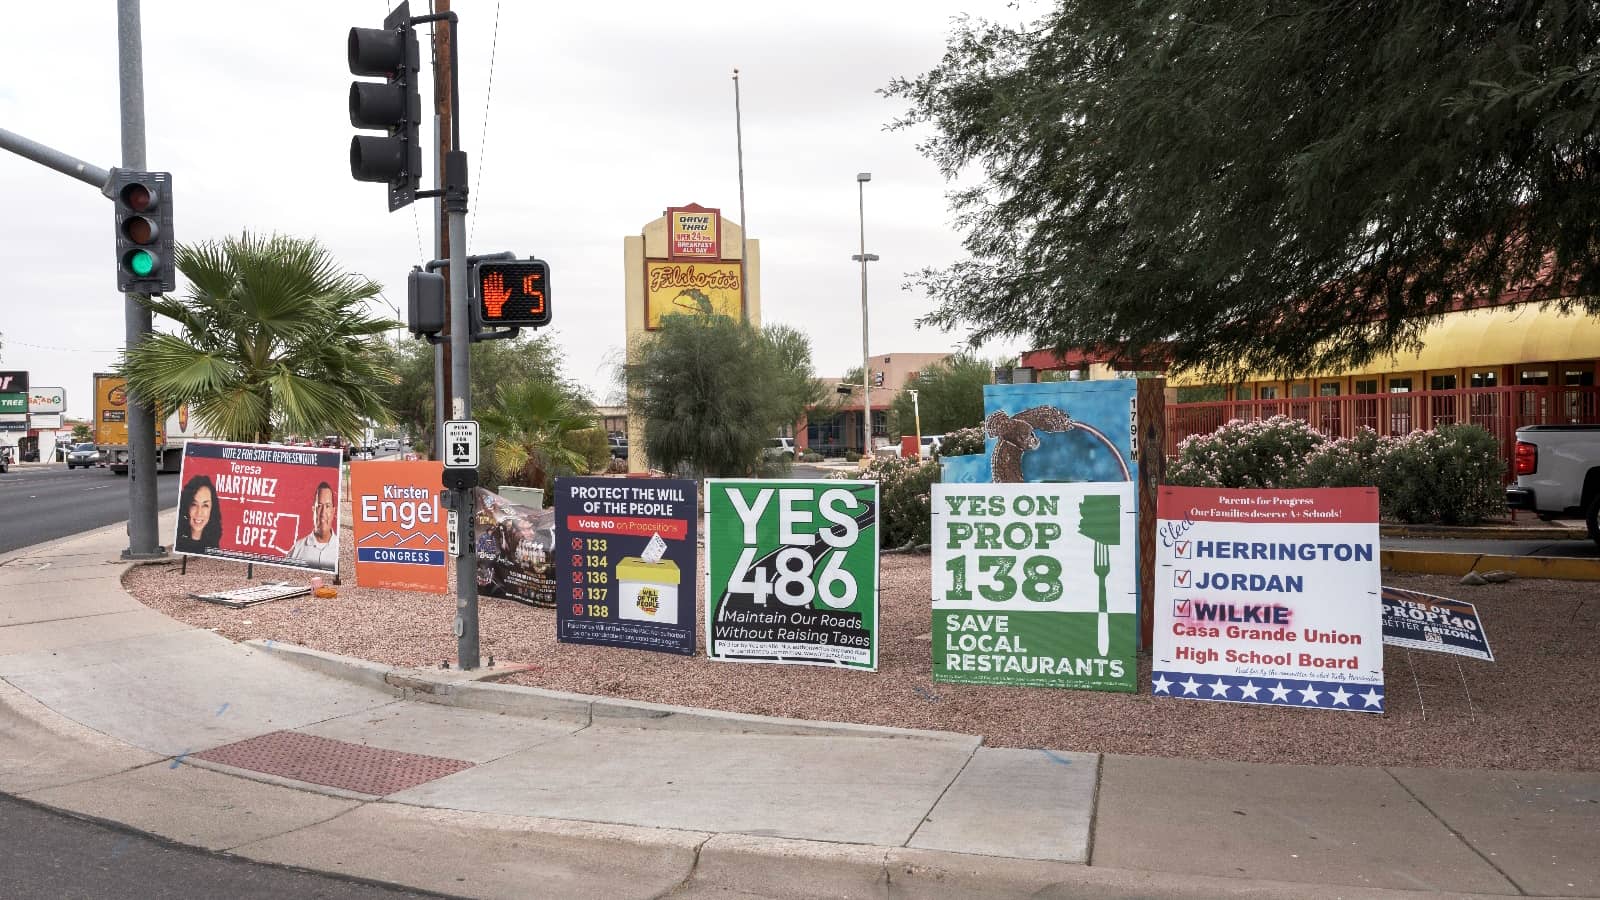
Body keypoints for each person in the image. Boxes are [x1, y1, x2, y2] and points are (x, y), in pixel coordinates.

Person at [288, 481, 339, 570]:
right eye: (319, 506)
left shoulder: (340, 549)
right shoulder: (297, 549)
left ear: (333, 511)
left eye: (327, 506)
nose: (323, 513)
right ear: (313, 510)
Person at [175, 475, 223, 553]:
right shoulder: (178, 543)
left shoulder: (213, 547)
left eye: (205, 505)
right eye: (194, 504)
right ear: (187, 506)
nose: (199, 512)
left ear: (212, 509)